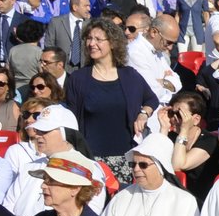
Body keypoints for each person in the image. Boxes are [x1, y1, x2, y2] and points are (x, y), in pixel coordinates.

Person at [63, 19, 159, 173]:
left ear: (113, 43)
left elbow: (151, 99)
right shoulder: (78, 78)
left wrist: (143, 114)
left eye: (98, 39)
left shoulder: (130, 76)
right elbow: (71, 120)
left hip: (126, 158)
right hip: (91, 159)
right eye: (89, 38)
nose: (91, 43)